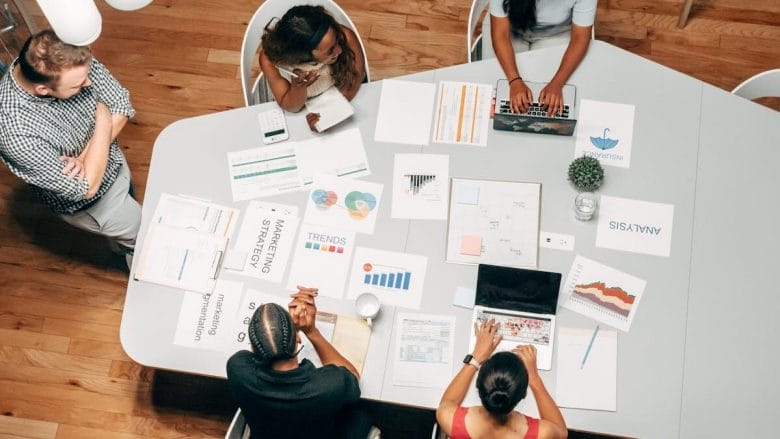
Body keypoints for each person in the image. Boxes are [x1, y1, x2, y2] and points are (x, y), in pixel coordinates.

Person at [0, 30, 139, 267]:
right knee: (142, 236)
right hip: (97, 205)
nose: (89, 82)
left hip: (114, 163)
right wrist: (103, 119)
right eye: (78, 86)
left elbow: (121, 104)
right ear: (43, 89)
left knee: (130, 217)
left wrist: (85, 157)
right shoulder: (15, 132)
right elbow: (86, 187)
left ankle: (122, 244)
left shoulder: (66, 58)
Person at [226, 286, 374, 439]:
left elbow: (255, 353)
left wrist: (283, 335)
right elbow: (353, 376)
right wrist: (311, 331)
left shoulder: (237, 369)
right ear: (297, 338)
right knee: (361, 412)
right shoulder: (329, 386)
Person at [436, 319, 568, 438]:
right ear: (524, 393)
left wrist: (475, 358)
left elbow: (447, 402)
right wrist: (534, 379)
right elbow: (561, 432)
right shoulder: (543, 434)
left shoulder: (447, 418)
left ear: (478, 385)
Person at [259, 5, 366, 128]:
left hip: (341, 94)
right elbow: (291, 107)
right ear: (304, 56)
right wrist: (298, 88)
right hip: (301, 106)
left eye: (337, 40)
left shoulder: (346, 36)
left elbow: (355, 78)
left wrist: (329, 114)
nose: (340, 50)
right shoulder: (270, 61)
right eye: (330, 51)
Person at [485, 0, 596, 116]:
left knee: (554, 99)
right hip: (510, 27)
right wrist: (514, 80)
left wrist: (557, 83)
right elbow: (500, 35)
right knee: (495, 95)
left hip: (555, 32)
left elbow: (580, 39)